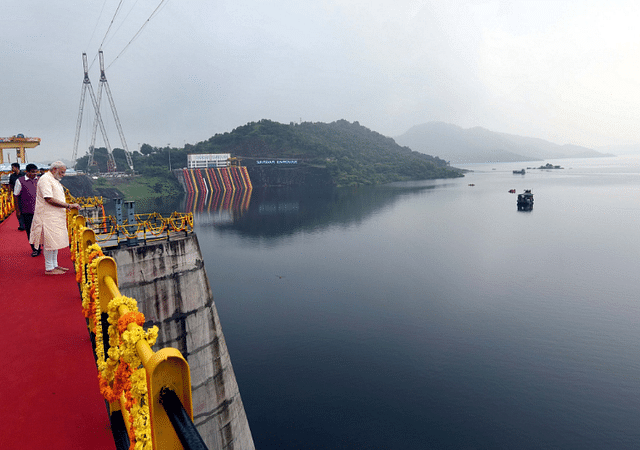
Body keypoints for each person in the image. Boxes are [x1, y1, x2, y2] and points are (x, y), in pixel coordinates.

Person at [29, 161, 80, 275]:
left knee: (55, 242)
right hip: (47, 216)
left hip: (55, 216)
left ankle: (54, 265)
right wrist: (68, 205)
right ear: (55, 169)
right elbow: (49, 199)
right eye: (62, 172)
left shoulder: (53, 179)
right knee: (49, 242)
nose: (63, 175)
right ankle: (49, 268)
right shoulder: (45, 179)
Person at [13, 163, 41, 256]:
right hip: (27, 211)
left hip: (40, 210)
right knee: (30, 230)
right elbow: (16, 196)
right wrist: (18, 211)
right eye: (33, 172)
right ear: (27, 172)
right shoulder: (20, 181)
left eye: (36, 172)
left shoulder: (39, 180)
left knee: (40, 229)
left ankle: (40, 245)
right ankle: (35, 249)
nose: (35, 174)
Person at [9, 162, 26, 230]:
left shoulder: (24, 175)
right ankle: (21, 224)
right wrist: (9, 195)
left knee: (25, 208)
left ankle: (26, 223)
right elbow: (10, 185)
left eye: (13, 167)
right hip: (16, 195)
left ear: (17, 167)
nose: (12, 169)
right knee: (18, 209)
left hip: (24, 194)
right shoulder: (12, 176)